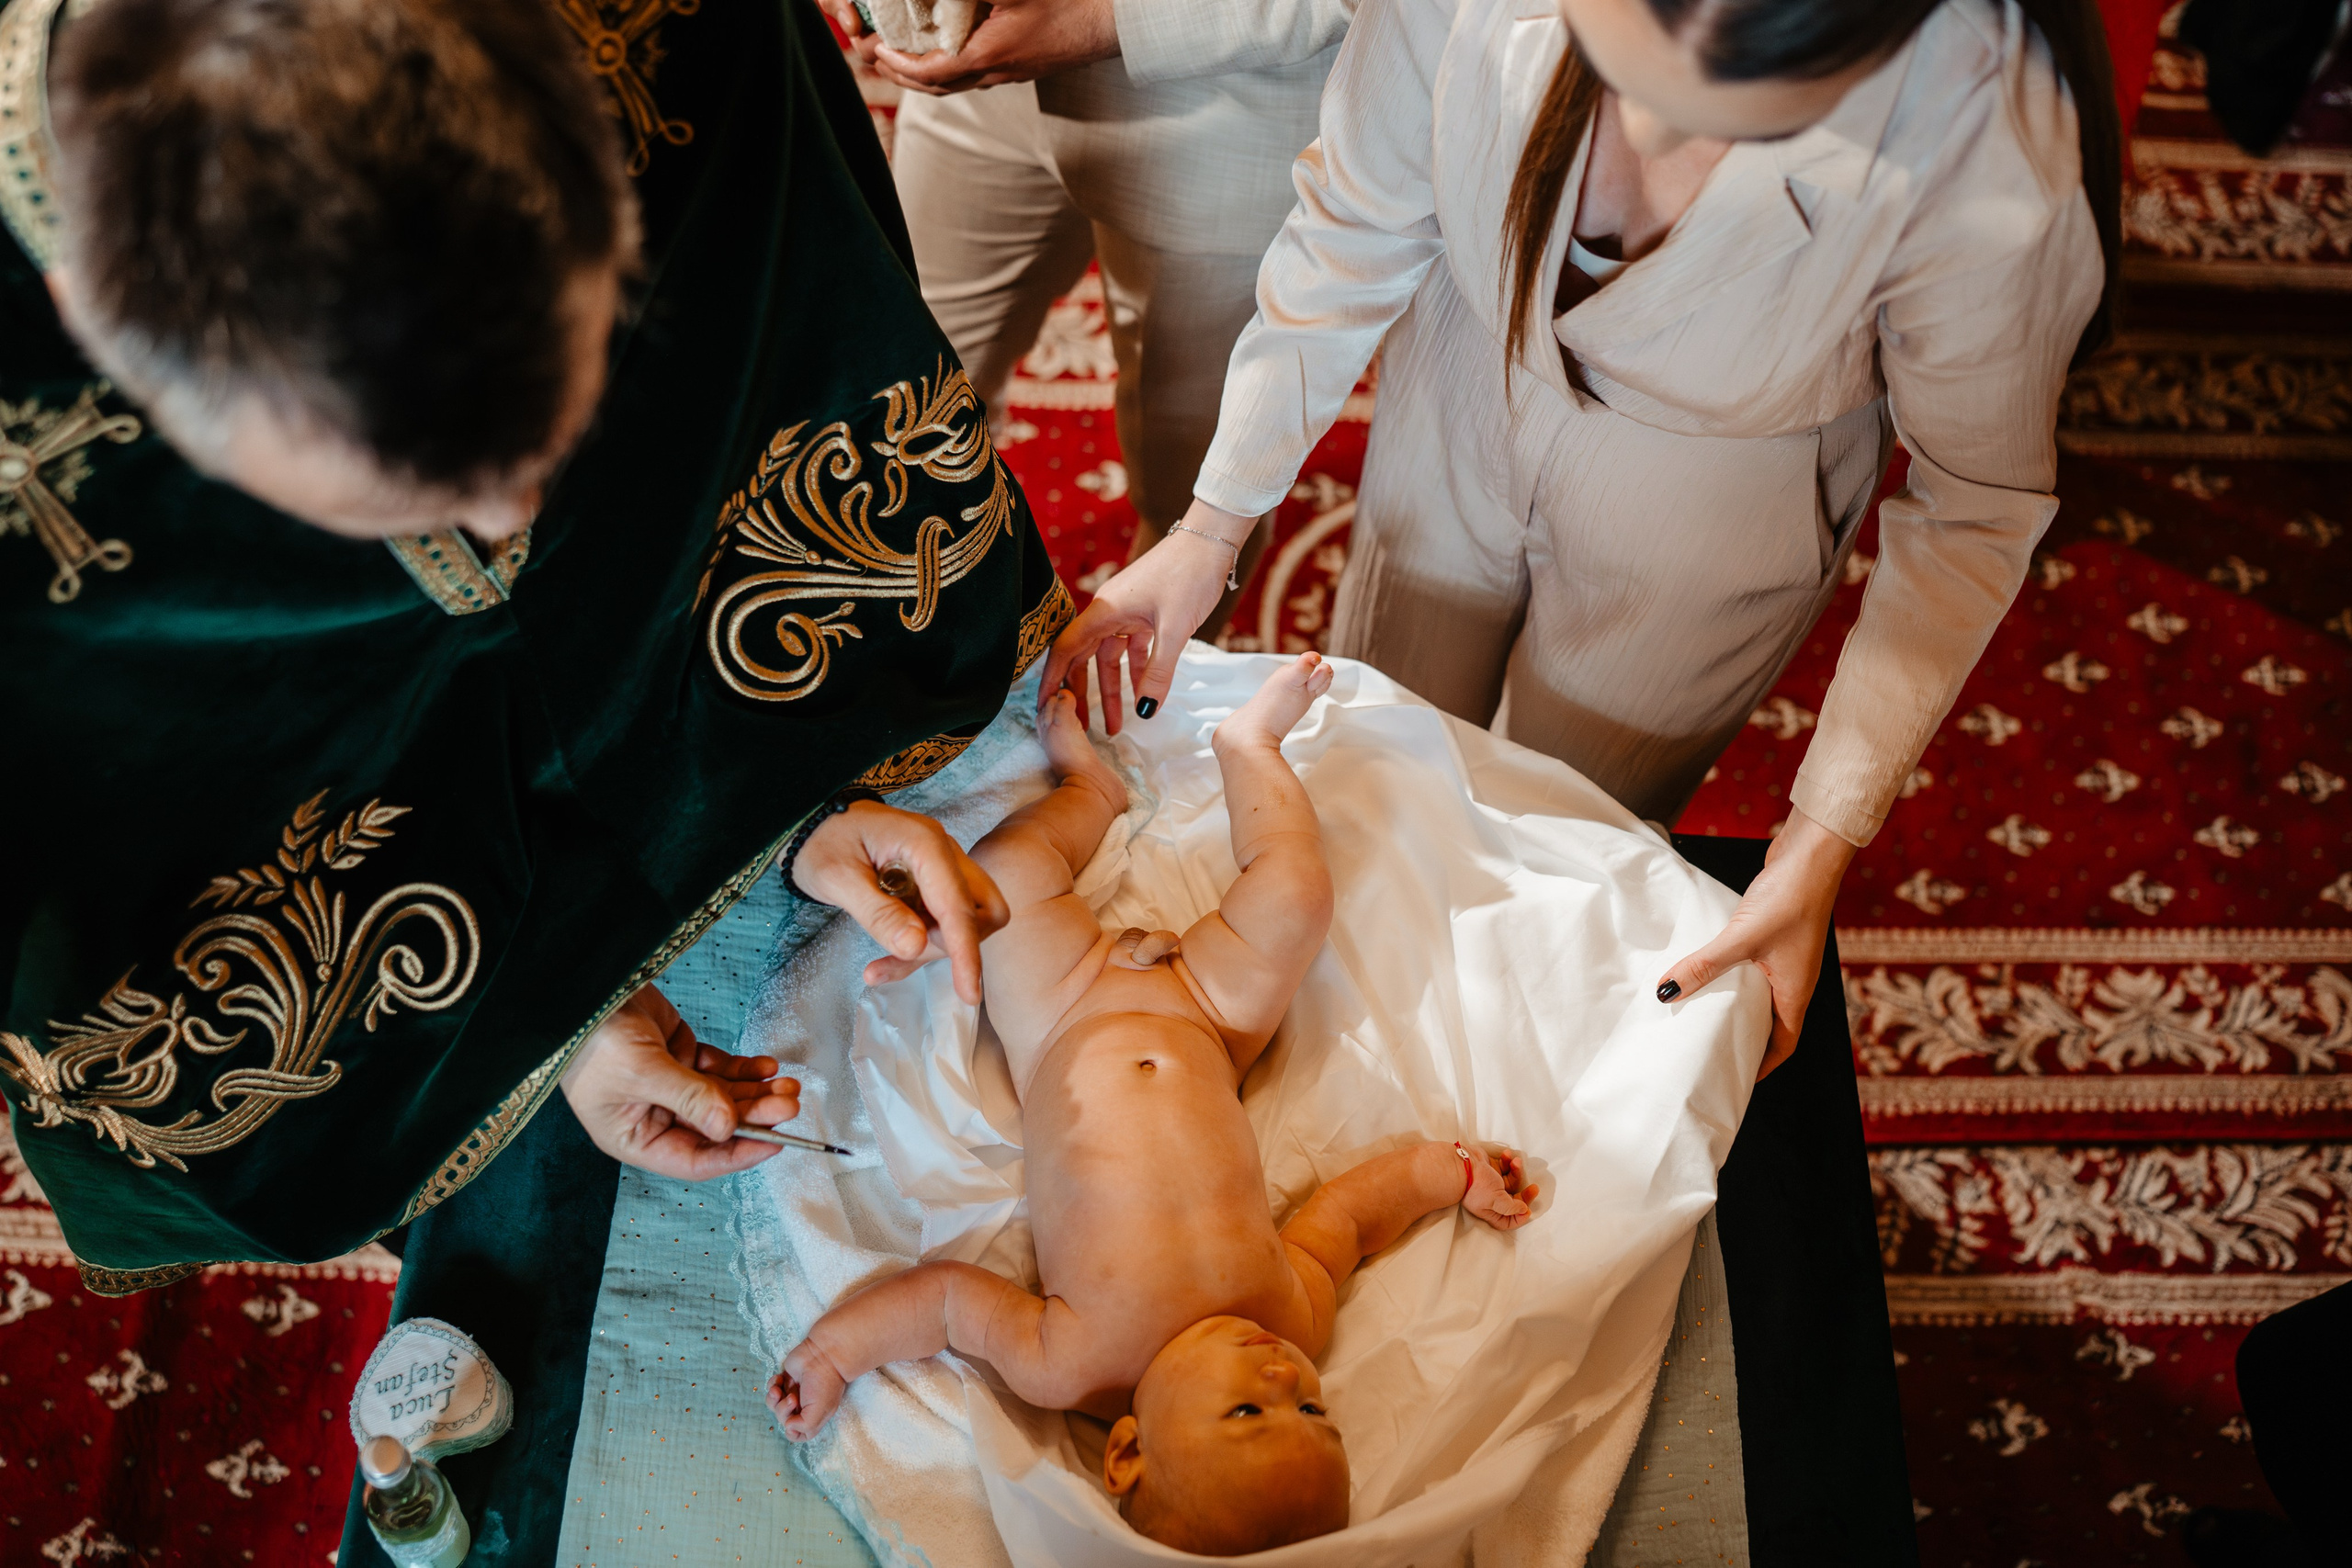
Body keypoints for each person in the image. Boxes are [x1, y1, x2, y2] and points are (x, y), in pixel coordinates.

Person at [1, 0, 1070, 1292]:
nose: (519, 530)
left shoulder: (675, 36)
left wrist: (780, 782)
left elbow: (778, 353)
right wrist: (533, 1026)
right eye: (410, 498)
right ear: (101, 330)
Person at [1048, 0, 2120, 1071]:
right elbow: (1355, 223)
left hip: (1715, 497)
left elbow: (1972, 504)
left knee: (1558, 839)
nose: (1647, 140)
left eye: (1735, 113)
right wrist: (1213, 522)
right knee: (1370, 760)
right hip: (1460, 377)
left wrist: (1816, 840)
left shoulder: (1984, 135)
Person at [767, 653, 1536, 1553]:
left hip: (1059, 1022)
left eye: (1250, 1409)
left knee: (1003, 874)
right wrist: (1445, 1175)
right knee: (1295, 895)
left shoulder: (1069, 1365)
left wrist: (835, 1353)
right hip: (1208, 1021)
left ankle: (1089, 788)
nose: (1281, 1373)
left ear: (1127, 1452)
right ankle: (1247, 746)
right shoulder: (1293, 1317)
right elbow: (1349, 1220)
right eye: (1314, 1407)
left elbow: (942, 1304)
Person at [818, 0, 1357, 632]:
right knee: (895, 408)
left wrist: (1104, 22)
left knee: (1190, 493)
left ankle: (1131, 714)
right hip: (963, 60)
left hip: (1225, 107)